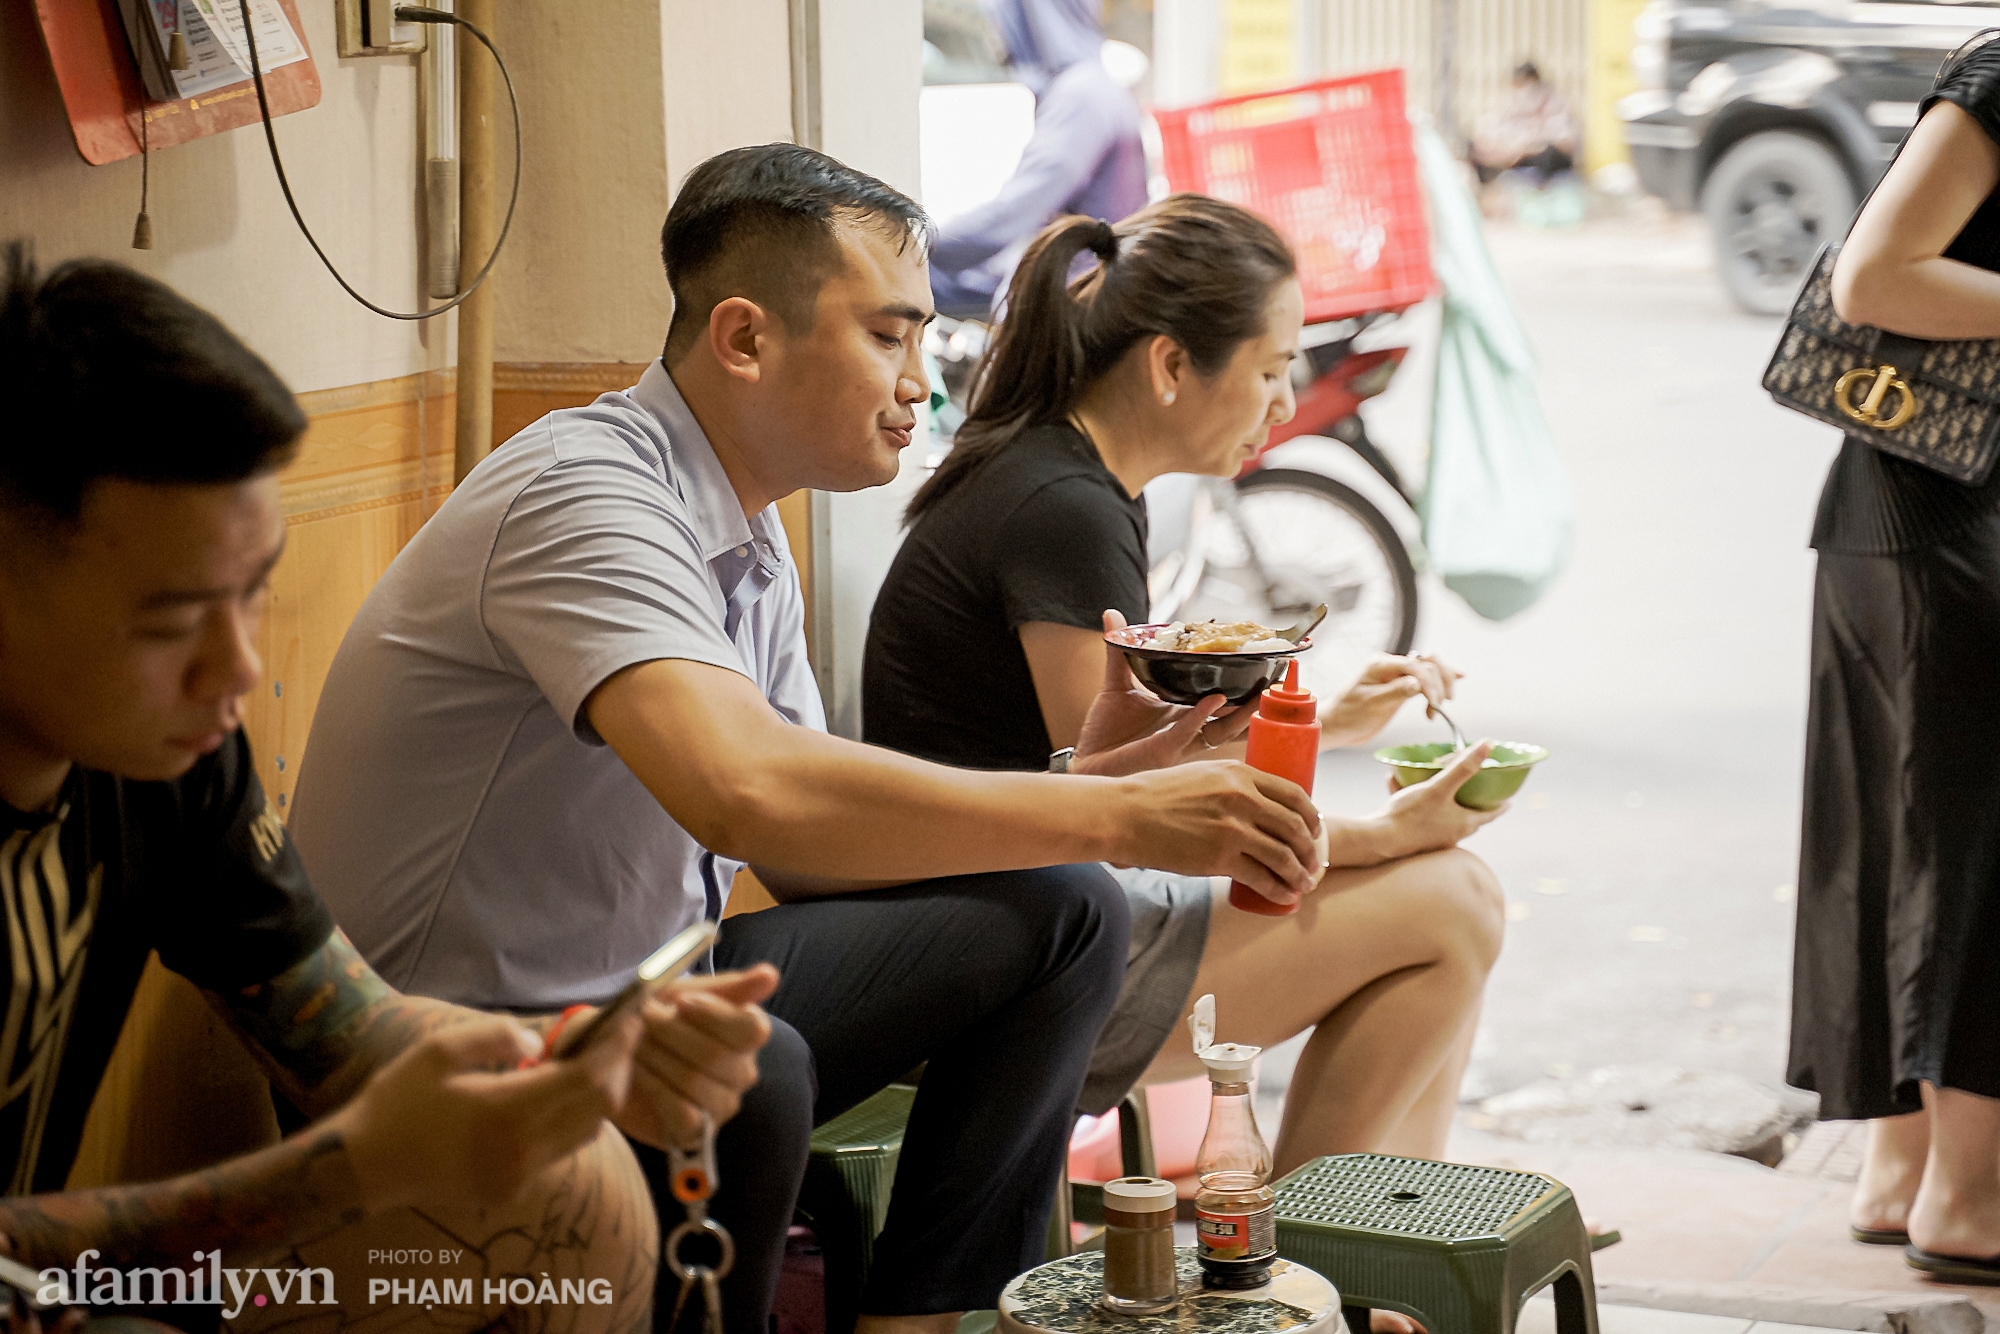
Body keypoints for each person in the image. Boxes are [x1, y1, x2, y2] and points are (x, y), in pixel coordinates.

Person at [285, 144, 1324, 1334]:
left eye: (920, 340)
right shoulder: (583, 496)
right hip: (432, 1041)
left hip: (631, 992)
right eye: (885, 337)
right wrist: (1120, 813)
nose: (917, 385)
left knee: (1069, 910)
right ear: (743, 338)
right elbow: (746, 791)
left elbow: (807, 851)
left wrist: (1086, 783)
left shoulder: (746, 527)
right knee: (752, 1072)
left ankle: (929, 1320)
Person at [0, 245, 774, 1332]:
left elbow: (346, 1033)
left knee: (573, 1185)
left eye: (253, 596)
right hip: (71, 1292)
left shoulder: (163, 759)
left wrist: (565, 1061)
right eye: (172, 622)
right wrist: (346, 1169)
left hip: (79, 1291)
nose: (237, 670)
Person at [864, 198, 1506, 1177]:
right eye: (1269, 369)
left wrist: (1325, 724)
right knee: (1451, 907)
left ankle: (1383, 1240)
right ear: (1170, 365)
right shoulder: (1065, 510)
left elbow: (1117, 770)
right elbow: (1123, 813)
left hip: (1034, 909)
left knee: (1453, 898)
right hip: (1010, 958)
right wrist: (1383, 835)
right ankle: (1319, 1249)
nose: (1283, 404)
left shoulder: (1061, 477)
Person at [1795, 31, 2000, 1285]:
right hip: (1938, 512)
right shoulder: (1997, 78)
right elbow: (1873, 276)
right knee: (1968, 841)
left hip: (1921, 510)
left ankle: (1900, 1169)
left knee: (1902, 826)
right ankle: (1968, 1198)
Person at [928, 0, 1146, 317]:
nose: (999, 40)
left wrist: (920, 244)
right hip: (1087, 280)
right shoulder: (1095, 85)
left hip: (1078, 296)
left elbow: (1014, 213)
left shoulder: (1082, 96)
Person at [1469, 63, 1580, 188]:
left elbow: (1564, 139)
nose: (1525, 90)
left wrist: (1529, 148)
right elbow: (1488, 132)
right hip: (1512, 160)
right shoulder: (1509, 103)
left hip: (1542, 160)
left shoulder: (1551, 103)